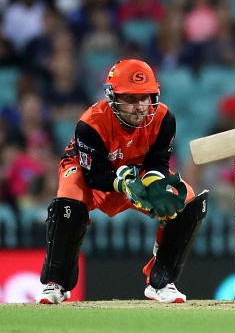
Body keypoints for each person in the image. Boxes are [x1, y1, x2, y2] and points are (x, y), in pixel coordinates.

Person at [35, 59, 208, 304]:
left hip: (136, 175)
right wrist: (123, 183)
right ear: (113, 97)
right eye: (130, 99)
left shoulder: (165, 118)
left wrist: (154, 182)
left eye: (144, 97)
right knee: (68, 202)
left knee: (187, 202)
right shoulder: (90, 123)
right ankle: (56, 283)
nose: (139, 107)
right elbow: (93, 174)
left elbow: (158, 162)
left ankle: (162, 283)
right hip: (89, 173)